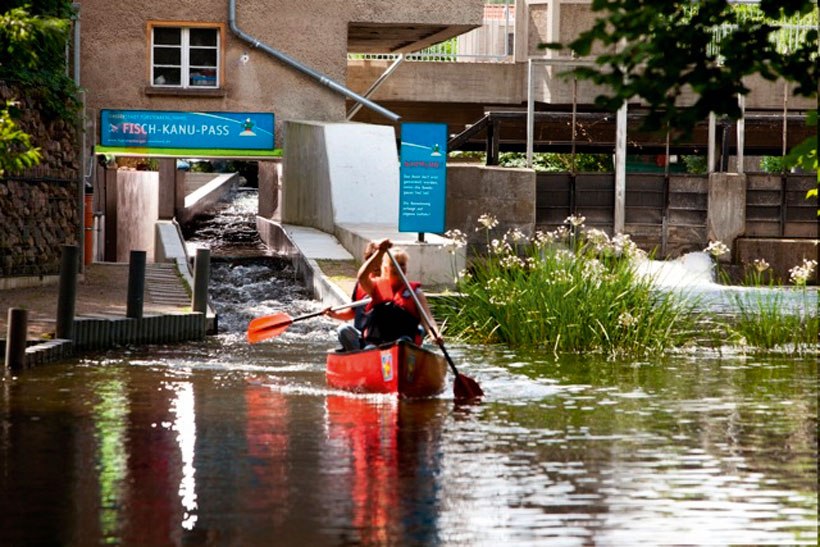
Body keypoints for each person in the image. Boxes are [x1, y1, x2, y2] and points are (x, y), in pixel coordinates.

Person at [356, 238, 443, 348]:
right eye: (394, 264)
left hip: (404, 344)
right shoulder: (375, 287)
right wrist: (381, 251)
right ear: (386, 268)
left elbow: (428, 319)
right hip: (377, 344)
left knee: (403, 343)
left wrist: (435, 333)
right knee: (370, 348)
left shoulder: (415, 292)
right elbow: (362, 277)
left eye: (402, 264)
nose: (399, 268)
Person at [324, 241, 379, 351]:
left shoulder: (391, 282)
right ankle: (359, 354)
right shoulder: (360, 284)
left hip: (381, 338)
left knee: (371, 348)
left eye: (379, 261)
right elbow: (352, 312)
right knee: (343, 329)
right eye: (373, 261)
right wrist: (333, 314)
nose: (377, 265)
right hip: (360, 336)